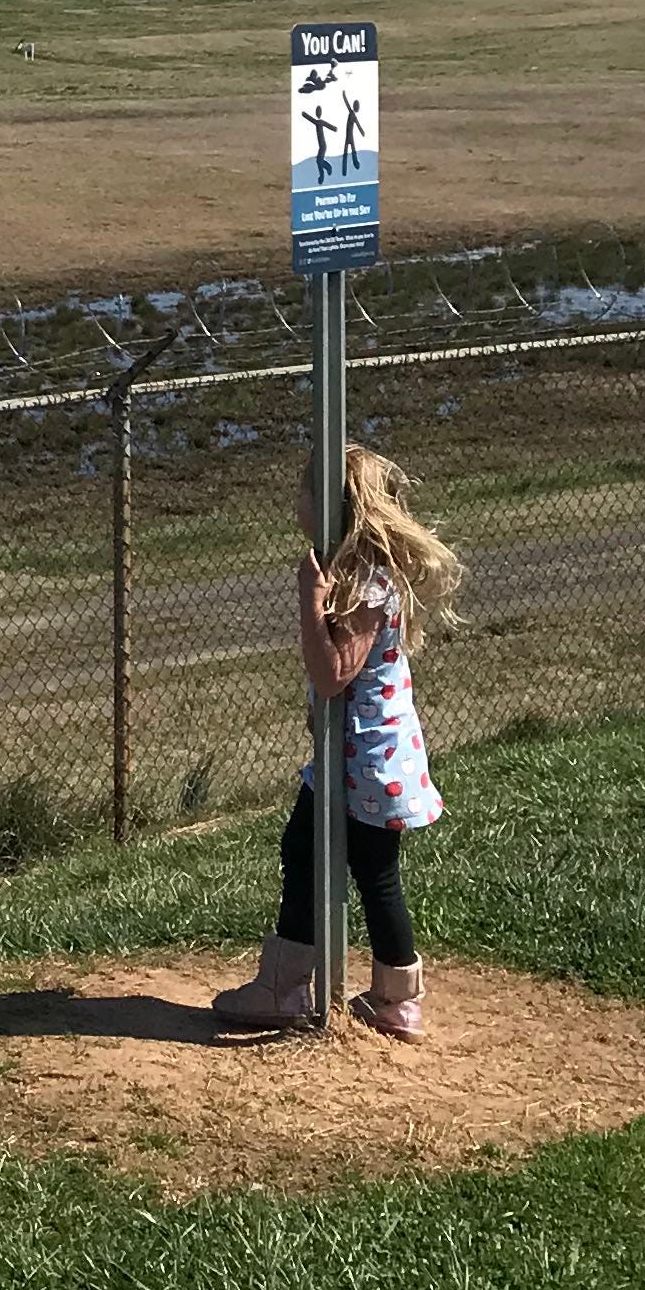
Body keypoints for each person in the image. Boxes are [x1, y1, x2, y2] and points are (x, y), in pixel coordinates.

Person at [212, 442, 462, 1041]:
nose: (294, 500)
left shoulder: (366, 582)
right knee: (323, 855)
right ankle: (377, 995)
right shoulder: (362, 575)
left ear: (333, 509)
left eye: (304, 491)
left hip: (366, 760)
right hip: (362, 755)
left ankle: (302, 988)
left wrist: (311, 602)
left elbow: (332, 673)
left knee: (340, 861)